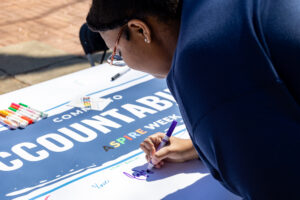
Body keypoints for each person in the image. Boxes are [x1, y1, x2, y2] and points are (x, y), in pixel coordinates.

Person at [86, 0, 300, 199]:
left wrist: (216, 140)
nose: (124, 63)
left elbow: (277, 186)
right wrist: (204, 147)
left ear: (141, 30)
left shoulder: (201, 63)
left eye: (119, 53)